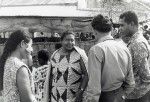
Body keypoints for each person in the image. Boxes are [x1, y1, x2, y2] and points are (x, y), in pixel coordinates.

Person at [86, 14, 135, 102]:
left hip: (104, 97)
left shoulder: (96, 50)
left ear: (94, 31)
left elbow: (94, 88)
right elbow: (130, 82)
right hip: (120, 96)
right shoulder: (124, 47)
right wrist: (122, 95)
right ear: (111, 30)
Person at [44, 31, 88, 102]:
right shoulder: (55, 55)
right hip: (55, 96)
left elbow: (87, 73)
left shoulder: (79, 55)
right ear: (61, 41)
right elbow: (51, 77)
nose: (70, 43)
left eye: (72, 40)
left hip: (73, 96)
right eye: (67, 40)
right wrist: (49, 94)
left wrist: (81, 90)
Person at [119, 11, 150, 102]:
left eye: (122, 25)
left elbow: (145, 75)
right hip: (134, 93)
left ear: (132, 24)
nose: (120, 28)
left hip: (139, 94)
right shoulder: (134, 40)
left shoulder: (137, 43)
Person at [0, 30, 36, 102]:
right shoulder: (20, 67)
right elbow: (27, 100)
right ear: (22, 43)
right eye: (30, 46)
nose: (31, 49)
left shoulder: (7, 61)